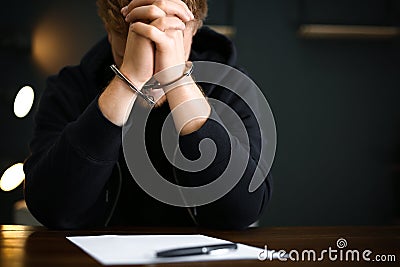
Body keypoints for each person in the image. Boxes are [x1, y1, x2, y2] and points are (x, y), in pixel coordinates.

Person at [24, 0, 272, 230]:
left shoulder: (231, 87)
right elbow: (51, 208)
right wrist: (127, 80)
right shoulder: (70, 88)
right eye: (128, 54)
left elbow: (243, 211)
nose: (152, 75)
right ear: (109, 32)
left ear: (194, 29)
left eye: (166, 50)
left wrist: (177, 81)